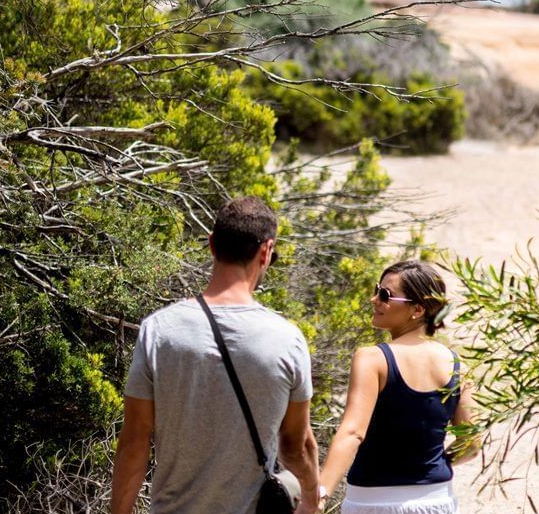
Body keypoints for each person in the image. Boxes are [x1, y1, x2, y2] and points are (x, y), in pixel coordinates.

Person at [110, 196, 323, 514]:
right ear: (266, 252)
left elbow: (134, 443)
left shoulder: (159, 330)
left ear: (211, 244)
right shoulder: (287, 340)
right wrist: (310, 498)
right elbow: (296, 446)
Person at [319, 260, 478, 514]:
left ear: (417, 310)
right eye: (376, 290)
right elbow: (470, 444)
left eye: (385, 295)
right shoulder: (458, 366)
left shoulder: (372, 359)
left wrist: (320, 494)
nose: (374, 299)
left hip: (373, 503)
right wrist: (435, 464)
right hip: (437, 501)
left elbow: (352, 433)